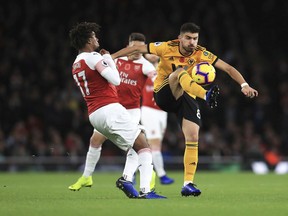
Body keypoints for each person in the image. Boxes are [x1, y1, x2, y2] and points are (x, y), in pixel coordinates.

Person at [112, 22, 258, 197]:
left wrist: (244, 85)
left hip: (186, 95)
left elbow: (228, 68)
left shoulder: (201, 53)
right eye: (188, 38)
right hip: (164, 93)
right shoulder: (166, 47)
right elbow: (136, 48)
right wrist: (113, 56)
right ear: (180, 37)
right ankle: (206, 95)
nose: (192, 42)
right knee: (180, 72)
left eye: (195, 39)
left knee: (193, 137)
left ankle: (188, 184)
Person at [68, 22, 166, 199]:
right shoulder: (94, 57)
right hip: (110, 109)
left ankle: (126, 181)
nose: (97, 38)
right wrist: (109, 62)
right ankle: (146, 191)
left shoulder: (76, 63)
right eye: (94, 36)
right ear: (88, 40)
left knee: (134, 147)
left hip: (94, 114)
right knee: (144, 146)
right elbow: (115, 80)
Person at [141, 54, 174, 185]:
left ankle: (134, 173)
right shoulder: (143, 69)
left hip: (162, 112)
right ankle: (162, 175)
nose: (153, 54)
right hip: (149, 110)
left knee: (153, 145)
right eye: (150, 52)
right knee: (154, 144)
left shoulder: (164, 69)